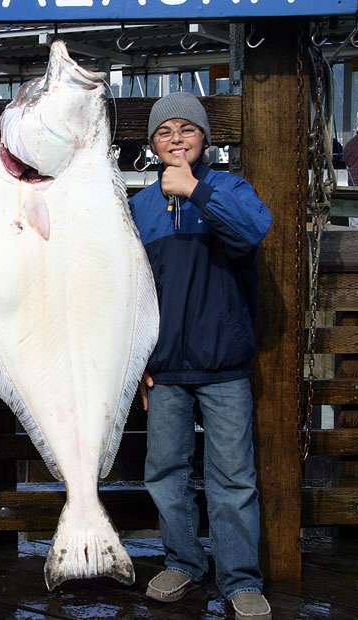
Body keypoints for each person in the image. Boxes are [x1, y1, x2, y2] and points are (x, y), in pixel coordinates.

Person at [128, 92, 273, 620]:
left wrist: (195, 191)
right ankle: (184, 563)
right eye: (165, 132)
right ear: (152, 144)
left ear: (205, 139)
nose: (177, 139)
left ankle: (240, 578)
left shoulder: (230, 188)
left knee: (233, 477)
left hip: (224, 365)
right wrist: (136, 357)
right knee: (165, 472)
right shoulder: (139, 207)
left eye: (187, 129)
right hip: (164, 370)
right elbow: (127, 290)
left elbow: (253, 232)